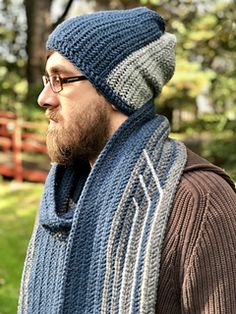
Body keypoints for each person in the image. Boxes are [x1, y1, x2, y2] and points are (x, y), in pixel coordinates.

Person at [18, 7, 236, 314]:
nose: (44, 98)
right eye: (47, 79)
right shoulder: (63, 198)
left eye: (61, 79)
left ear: (116, 92)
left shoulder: (200, 201)